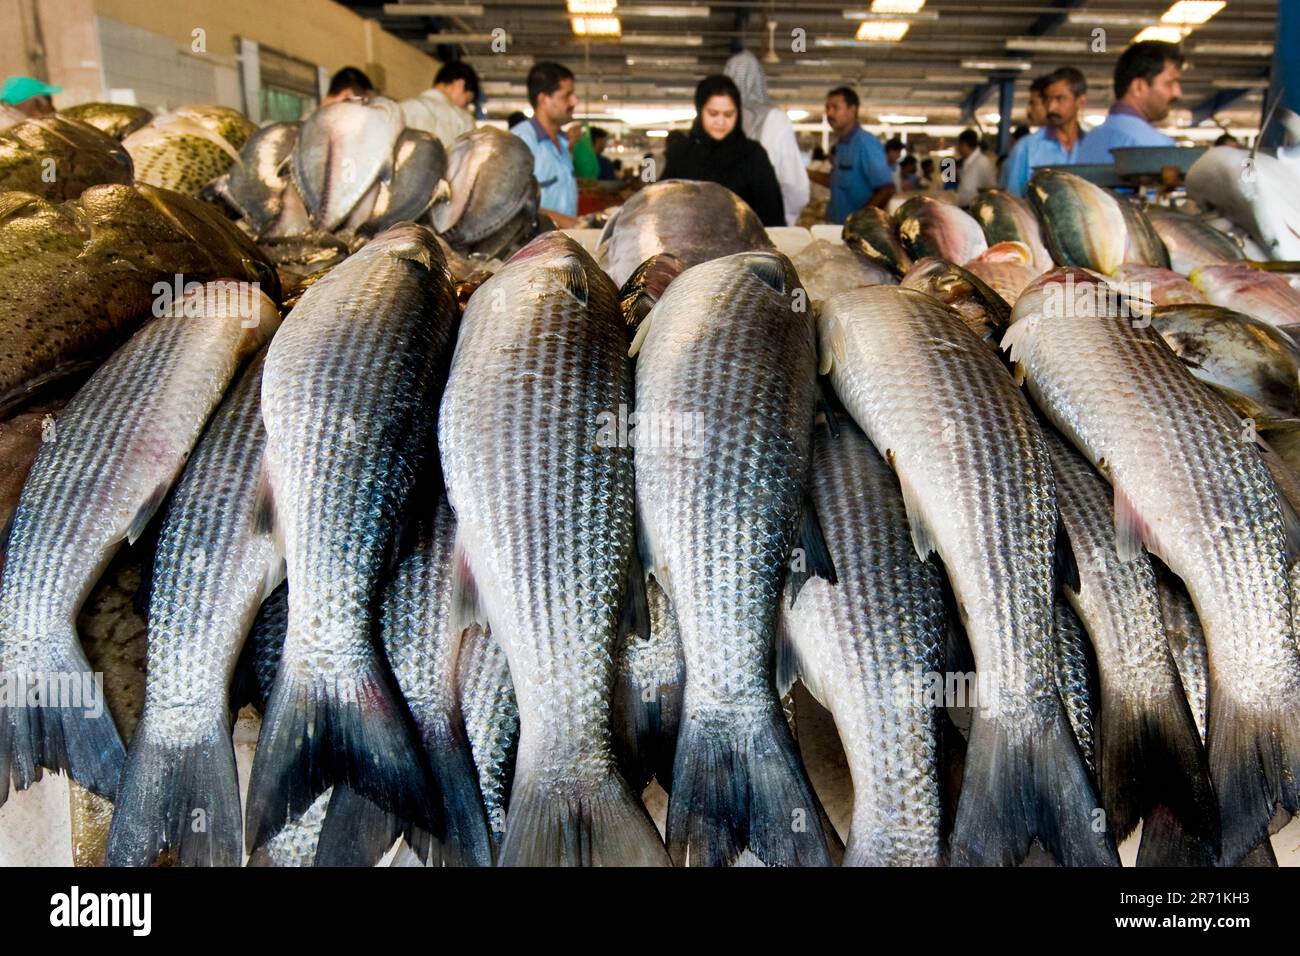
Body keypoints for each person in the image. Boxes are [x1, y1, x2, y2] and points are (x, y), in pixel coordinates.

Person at [661, 74, 785, 227]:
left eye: (728, 114)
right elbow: (662, 212)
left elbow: (772, 216)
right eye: (713, 114)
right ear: (700, 111)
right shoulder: (680, 156)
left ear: (738, 113)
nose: (720, 122)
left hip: (744, 248)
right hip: (685, 247)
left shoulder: (753, 156)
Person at [724, 50, 810, 227]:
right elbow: (796, 187)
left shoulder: (717, 121)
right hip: (766, 226)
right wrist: (783, 219)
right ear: (759, 79)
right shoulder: (776, 119)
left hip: (724, 226)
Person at [1076, 41, 1182, 164]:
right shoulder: (1158, 147)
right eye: (1169, 83)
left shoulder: (1090, 141)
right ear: (1138, 87)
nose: (1177, 93)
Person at [809, 87, 894, 223]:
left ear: (852, 110)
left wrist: (859, 220)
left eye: (835, 108)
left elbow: (886, 189)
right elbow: (836, 180)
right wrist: (806, 173)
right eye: (827, 108)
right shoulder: (842, 145)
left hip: (854, 232)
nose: (829, 113)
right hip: (836, 227)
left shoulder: (866, 144)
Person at [510, 61, 580, 227]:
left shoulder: (563, 143)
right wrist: (571, 224)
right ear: (543, 99)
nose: (574, 102)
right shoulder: (521, 141)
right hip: (532, 247)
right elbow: (513, 205)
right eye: (566, 96)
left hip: (560, 243)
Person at [1001, 67, 1088, 197]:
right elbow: (1014, 200)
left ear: (1080, 101)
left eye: (1060, 99)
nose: (1051, 107)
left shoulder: (1093, 145)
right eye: (1048, 99)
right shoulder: (1026, 148)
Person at [401, 60, 479, 149]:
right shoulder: (463, 120)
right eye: (467, 101)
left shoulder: (402, 108)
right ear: (459, 84)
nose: (465, 107)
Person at [953, 130, 998, 206]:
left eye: (959, 145)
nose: (958, 148)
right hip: (965, 208)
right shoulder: (968, 161)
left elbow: (991, 188)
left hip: (974, 210)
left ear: (964, 144)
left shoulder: (982, 162)